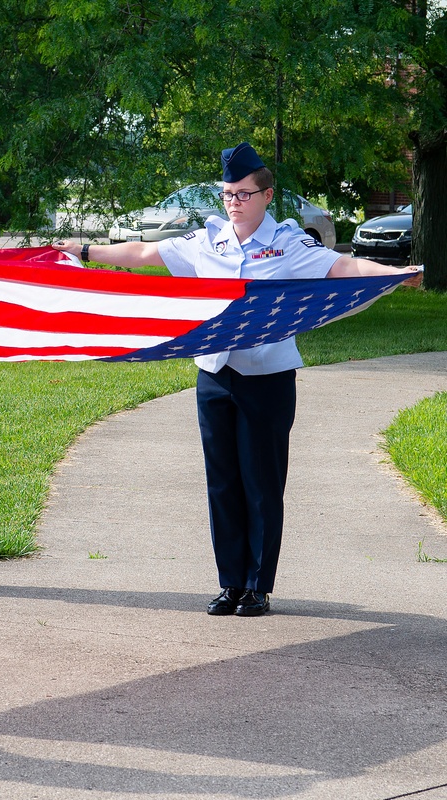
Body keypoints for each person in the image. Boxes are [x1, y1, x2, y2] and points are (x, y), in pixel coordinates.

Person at [55, 142, 422, 618]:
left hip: (266, 377)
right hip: (214, 375)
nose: (234, 202)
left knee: (262, 483)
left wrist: (391, 273)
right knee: (222, 481)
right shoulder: (208, 240)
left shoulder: (290, 243)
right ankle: (230, 582)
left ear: (267, 196)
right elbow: (146, 251)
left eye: (244, 194)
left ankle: (258, 586)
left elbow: (343, 267)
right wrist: (84, 249)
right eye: (228, 193)